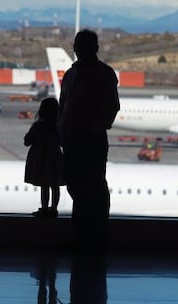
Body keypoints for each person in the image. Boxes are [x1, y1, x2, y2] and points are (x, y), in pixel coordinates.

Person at [58, 29, 120, 250]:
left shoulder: (103, 74)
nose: (78, 49)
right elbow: (63, 106)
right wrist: (61, 133)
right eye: (77, 44)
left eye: (82, 45)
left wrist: (95, 128)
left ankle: (96, 237)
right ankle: (82, 236)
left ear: (94, 48)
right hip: (72, 141)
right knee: (77, 190)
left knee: (93, 190)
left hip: (90, 142)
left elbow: (112, 107)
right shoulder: (71, 74)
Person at [24, 97, 65, 217]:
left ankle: (45, 208)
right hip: (55, 159)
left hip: (41, 159)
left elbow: (27, 141)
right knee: (55, 186)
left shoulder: (38, 126)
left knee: (44, 186)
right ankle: (54, 209)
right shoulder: (57, 127)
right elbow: (62, 142)